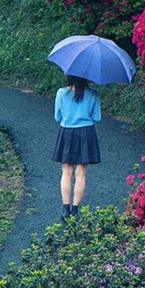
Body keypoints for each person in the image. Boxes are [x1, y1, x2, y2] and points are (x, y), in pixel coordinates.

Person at [52, 74, 101, 221]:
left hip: (67, 132)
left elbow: (57, 117)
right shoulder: (93, 94)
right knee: (81, 173)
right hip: (86, 132)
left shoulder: (61, 93)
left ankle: (65, 208)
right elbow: (97, 117)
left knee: (66, 172)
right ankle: (75, 209)